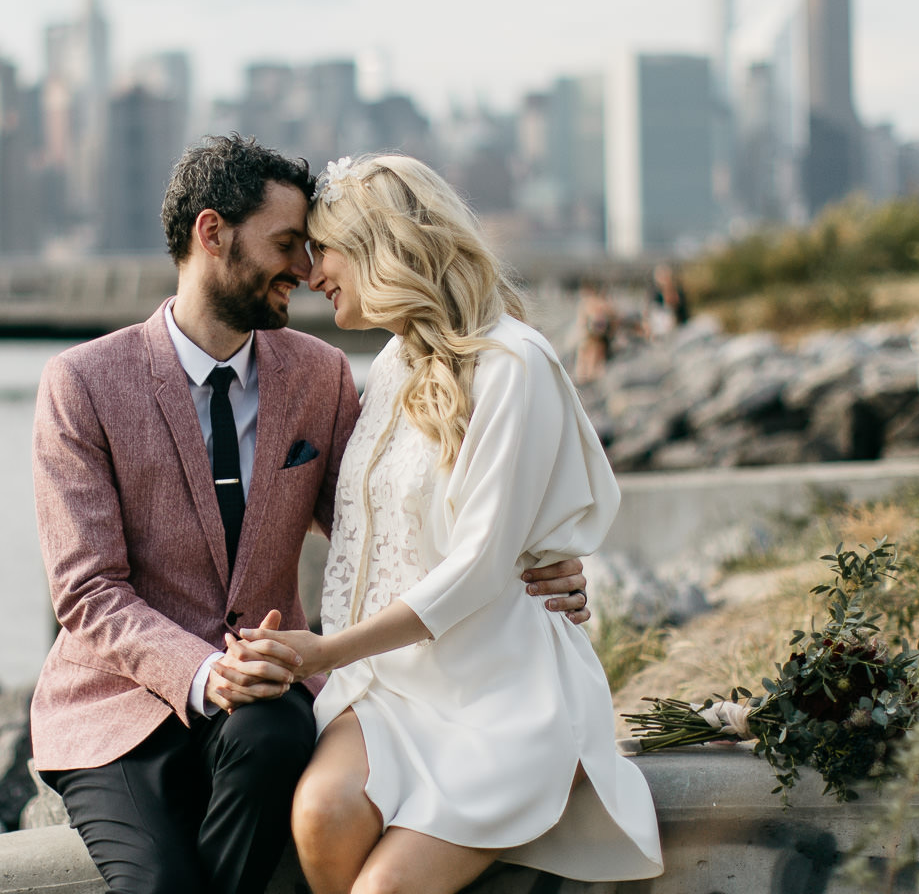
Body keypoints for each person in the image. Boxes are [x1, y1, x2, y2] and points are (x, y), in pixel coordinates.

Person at [28, 135, 594, 894]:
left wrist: (532, 557)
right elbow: (87, 591)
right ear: (212, 233)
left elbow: (377, 515)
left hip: (266, 702)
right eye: (287, 243)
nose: (302, 268)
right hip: (116, 707)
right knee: (160, 884)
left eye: (312, 247)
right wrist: (206, 672)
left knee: (276, 740)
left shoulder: (321, 375)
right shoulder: (82, 383)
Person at [241, 154, 663, 894]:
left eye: (323, 249)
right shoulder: (393, 366)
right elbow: (363, 523)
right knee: (320, 815)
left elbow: (477, 567)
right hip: (388, 687)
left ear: (384, 247)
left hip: (499, 695)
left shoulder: (514, 365)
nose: (310, 273)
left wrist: (321, 651)